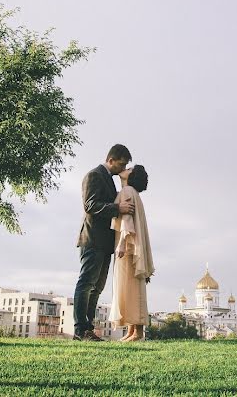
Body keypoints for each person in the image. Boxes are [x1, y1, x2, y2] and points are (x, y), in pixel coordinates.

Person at [73, 144, 134, 341]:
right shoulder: (94, 175)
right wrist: (118, 208)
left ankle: (88, 329)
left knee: (97, 287)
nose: (123, 168)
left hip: (104, 243)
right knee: (86, 284)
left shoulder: (108, 179)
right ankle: (80, 330)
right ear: (111, 160)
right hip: (92, 239)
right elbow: (90, 205)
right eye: (122, 164)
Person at [109, 164, 154, 341]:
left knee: (130, 286)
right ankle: (131, 331)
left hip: (127, 247)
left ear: (131, 175)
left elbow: (127, 221)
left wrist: (121, 244)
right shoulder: (132, 193)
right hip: (131, 246)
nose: (125, 168)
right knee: (130, 287)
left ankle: (138, 332)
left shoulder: (127, 191)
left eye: (129, 168)